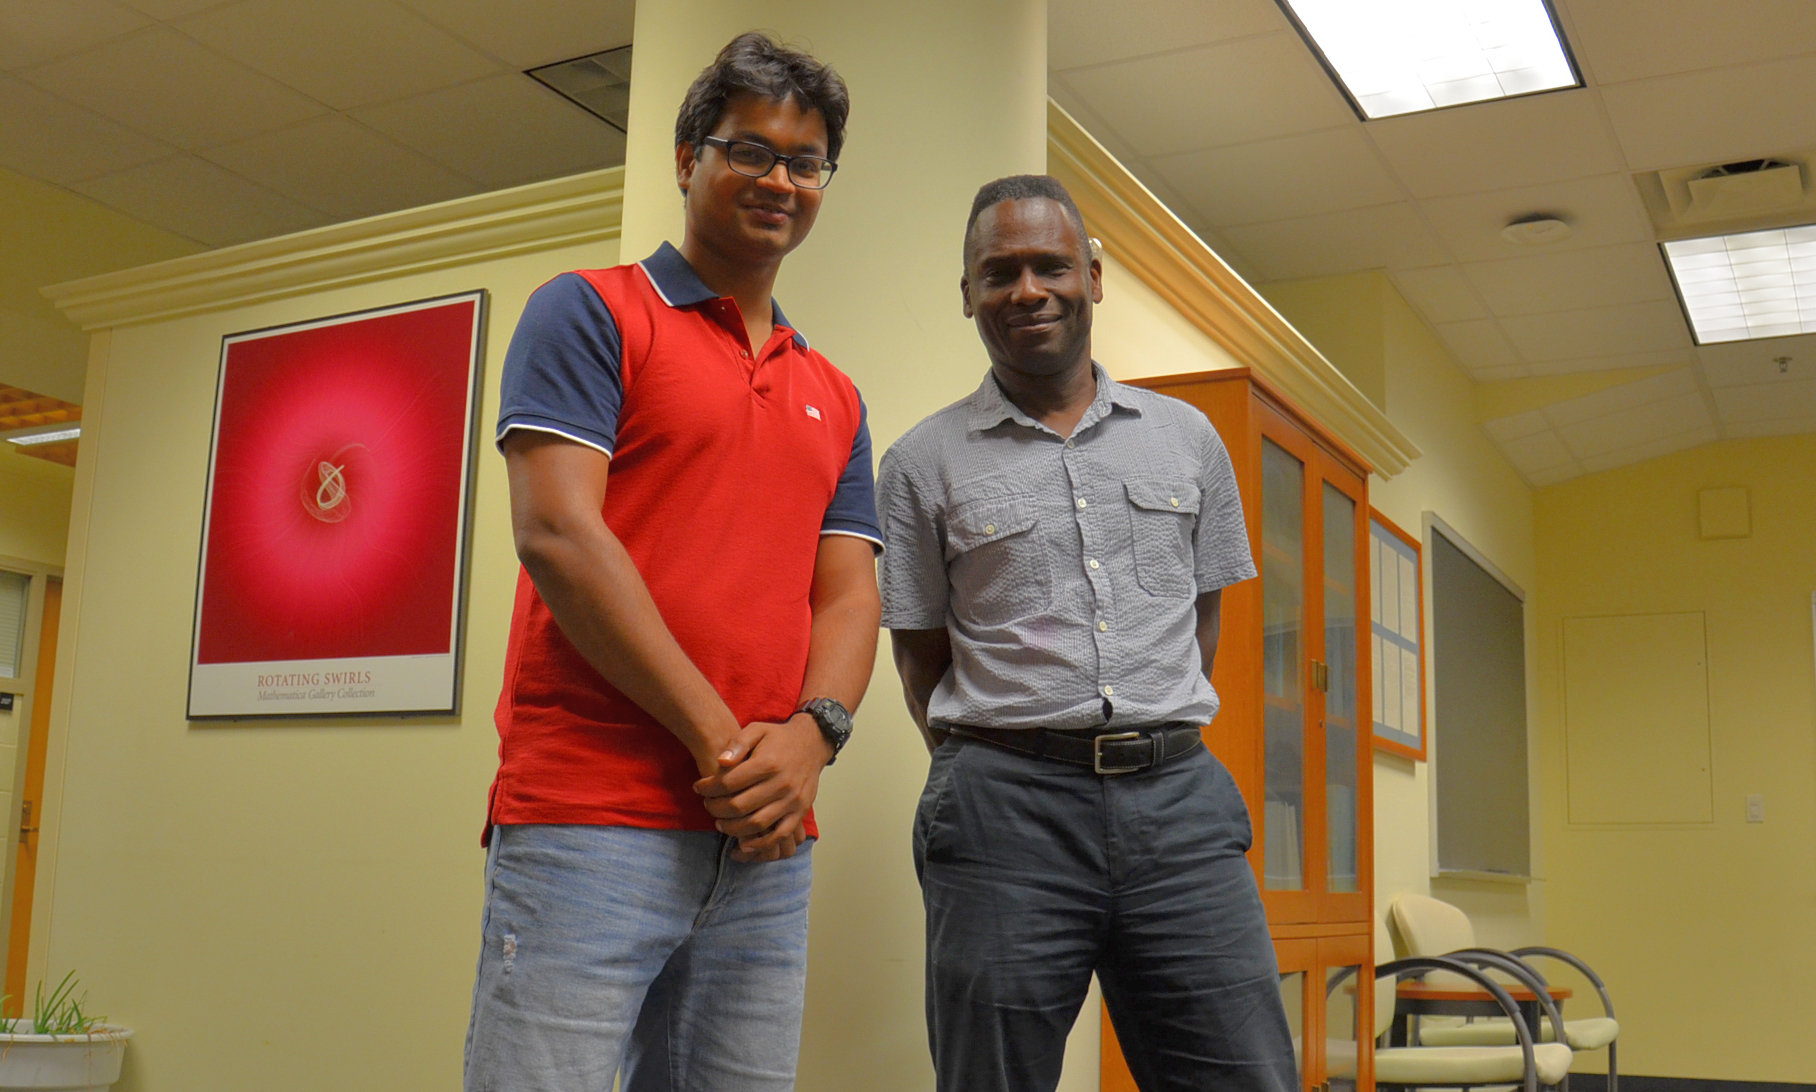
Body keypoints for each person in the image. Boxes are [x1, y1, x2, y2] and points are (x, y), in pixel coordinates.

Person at [465, 32, 882, 1092]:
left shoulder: (834, 392)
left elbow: (849, 592)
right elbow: (559, 534)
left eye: (804, 160)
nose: (778, 179)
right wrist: (724, 747)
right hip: (590, 822)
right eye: (749, 150)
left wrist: (812, 739)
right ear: (686, 158)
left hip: (765, 850)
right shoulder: (592, 312)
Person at [877, 174, 1298, 1092]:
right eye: (998, 273)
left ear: (1093, 277)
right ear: (967, 295)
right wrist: (1007, 759)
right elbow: (920, 659)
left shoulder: (1188, 439)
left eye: (1050, 265)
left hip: (1179, 807)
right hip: (1002, 816)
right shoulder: (918, 464)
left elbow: (1203, 618)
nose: (1026, 290)